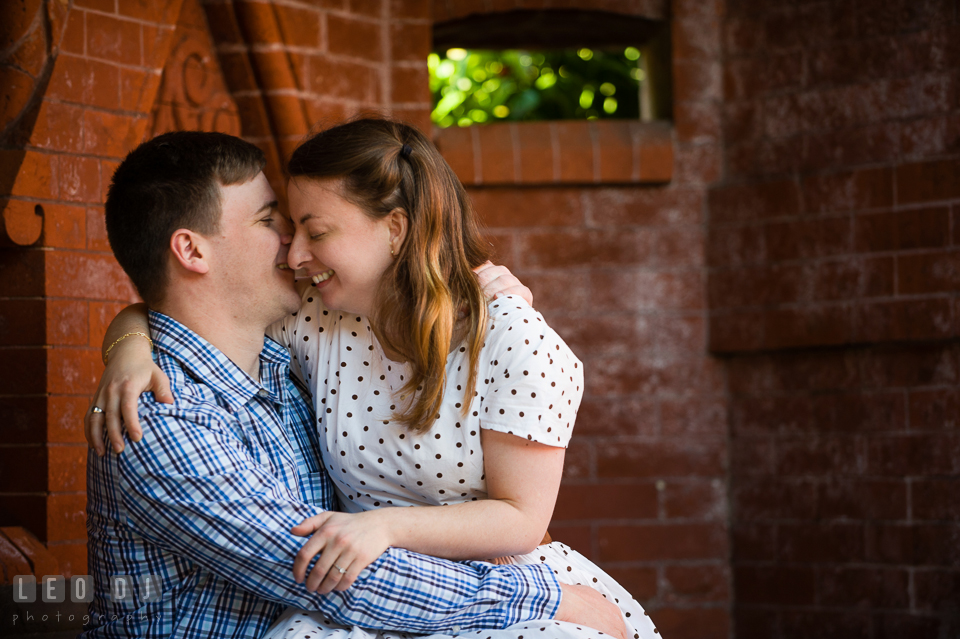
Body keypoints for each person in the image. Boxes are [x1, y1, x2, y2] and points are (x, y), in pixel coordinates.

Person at [82, 129, 628, 638]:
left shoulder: (276, 363)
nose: (292, 249)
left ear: (394, 229)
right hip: (366, 601)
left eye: (309, 229)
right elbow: (332, 573)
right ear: (193, 250)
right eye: (272, 221)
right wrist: (548, 597)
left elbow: (518, 517)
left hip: (425, 595)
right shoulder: (163, 408)